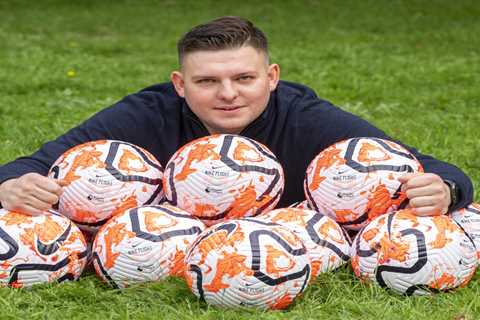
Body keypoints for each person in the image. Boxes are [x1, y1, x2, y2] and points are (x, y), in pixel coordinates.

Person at [0, 16, 473, 218]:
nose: (228, 94)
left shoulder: (308, 120)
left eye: (244, 78)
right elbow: (27, 167)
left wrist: (446, 189)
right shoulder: (145, 115)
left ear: (272, 77)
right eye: (206, 82)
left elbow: (428, 168)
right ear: (180, 84)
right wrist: (11, 186)